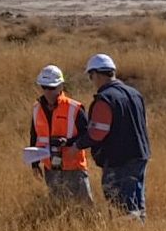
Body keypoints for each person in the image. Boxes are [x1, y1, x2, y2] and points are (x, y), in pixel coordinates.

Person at [73, 52, 149, 221]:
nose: (92, 81)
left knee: (120, 206)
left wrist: (77, 146)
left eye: (91, 77)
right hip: (140, 155)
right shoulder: (135, 94)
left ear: (96, 74)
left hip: (118, 160)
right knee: (137, 203)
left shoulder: (105, 99)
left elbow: (97, 133)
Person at [27, 64, 94, 205]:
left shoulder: (74, 108)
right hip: (51, 168)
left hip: (74, 168)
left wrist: (68, 142)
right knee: (58, 206)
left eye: (52, 87)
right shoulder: (36, 108)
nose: (48, 91)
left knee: (84, 208)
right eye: (44, 87)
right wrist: (34, 164)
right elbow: (35, 136)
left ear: (61, 86)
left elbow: (89, 135)